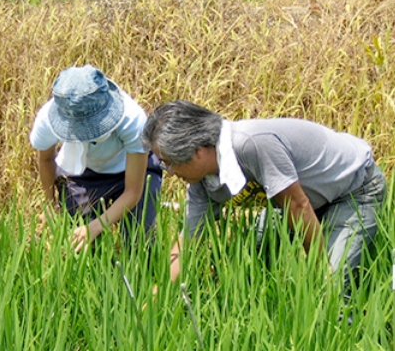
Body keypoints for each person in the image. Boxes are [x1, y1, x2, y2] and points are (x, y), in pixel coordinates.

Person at [141, 100, 386, 285]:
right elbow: (188, 242)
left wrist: (320, 272)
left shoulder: (252, 143)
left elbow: (298, 206)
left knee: (331, 287)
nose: (168, 171)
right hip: (293, 202)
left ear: (197, 151)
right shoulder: (201, 182)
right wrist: (156, 294)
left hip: (353, 190)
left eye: (168, 162)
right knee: (246, 266)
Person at [30, 65, 162, 252]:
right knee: (79, 247)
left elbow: (133, 191)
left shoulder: (133, 120)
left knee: (138, 242)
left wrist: (96, 227)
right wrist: (49, 206)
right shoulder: (46, 119)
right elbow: (45, 160)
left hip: (131, 171)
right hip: (81, 171)